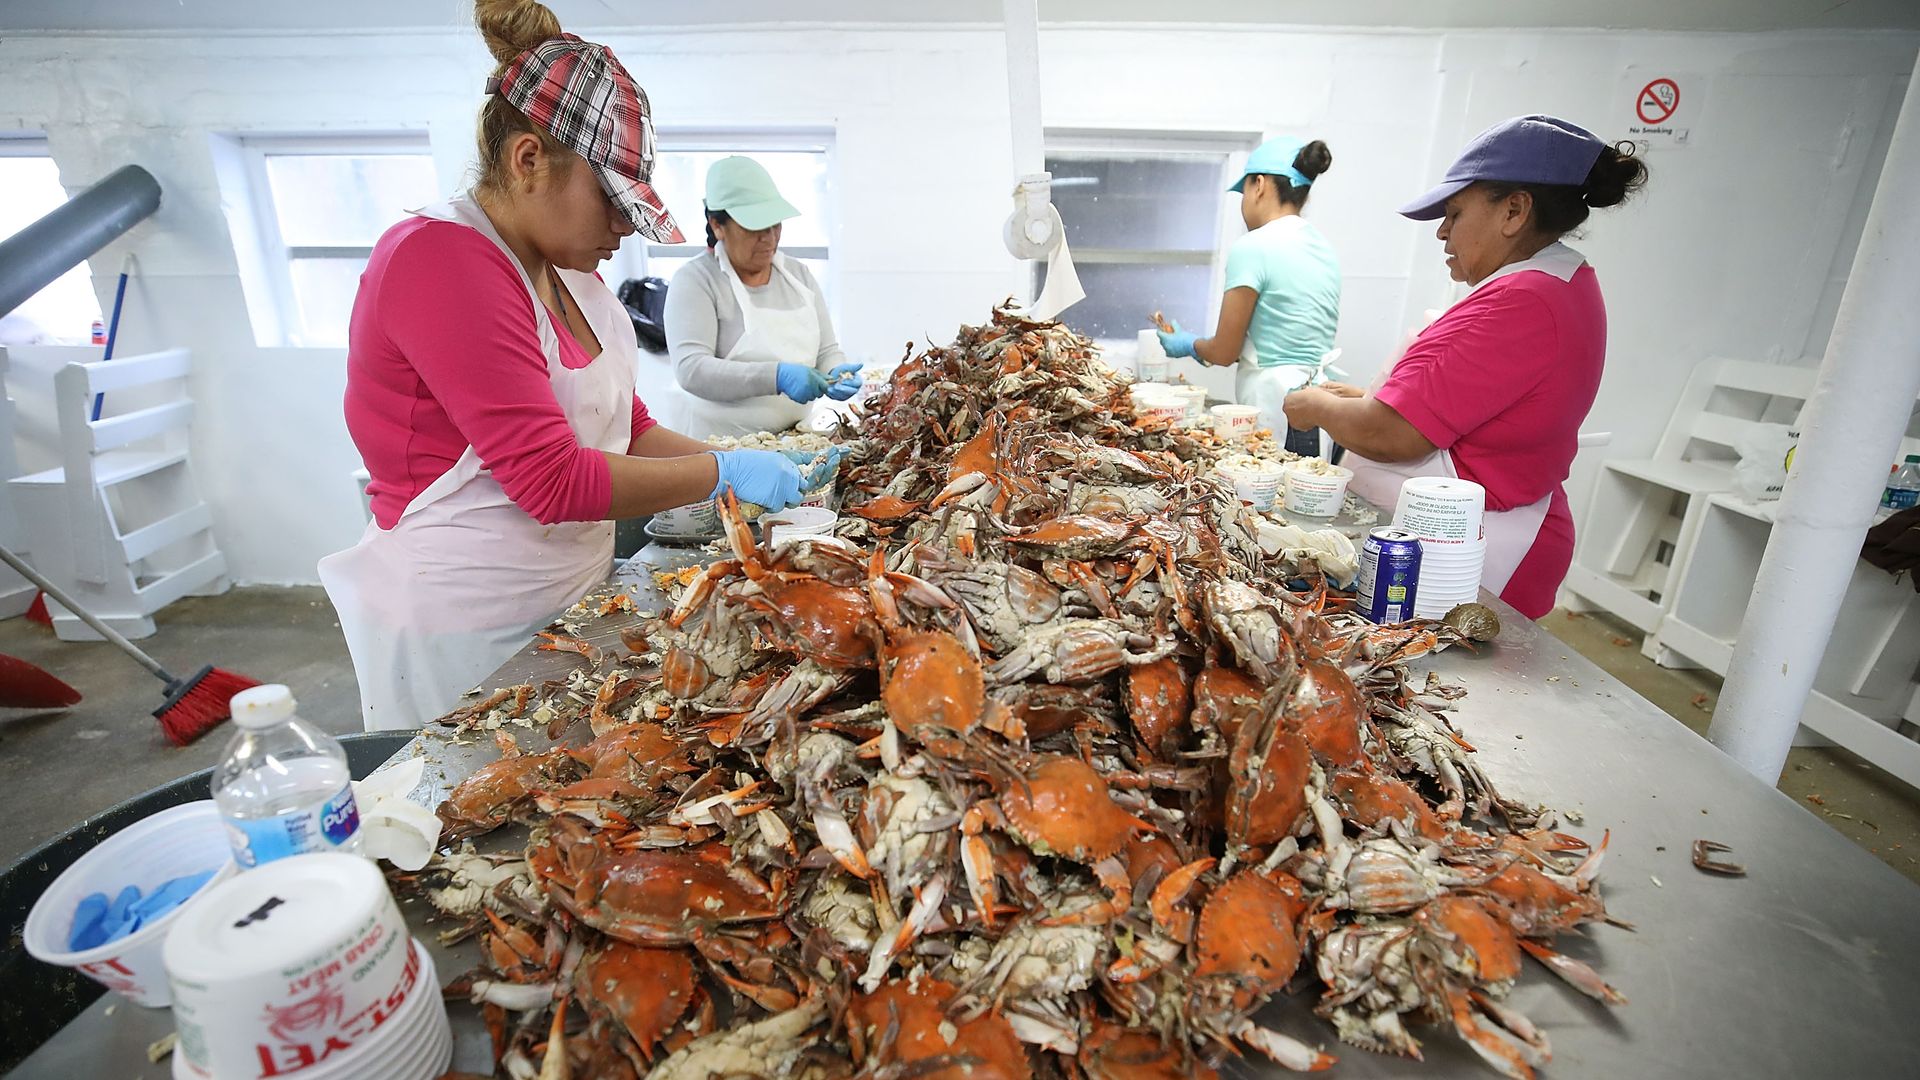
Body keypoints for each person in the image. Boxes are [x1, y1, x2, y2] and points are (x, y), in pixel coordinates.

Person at [320, 0, 805, 731]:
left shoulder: (571, 271)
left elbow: (628, 427)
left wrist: (751, 457)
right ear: (528, 161)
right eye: (610, 201)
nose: (621, 227)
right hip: (464, 626)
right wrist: (725, 477)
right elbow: (549, 480)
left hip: (569, 600)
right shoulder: (442, 262)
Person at [1282, 115, 1649, 619]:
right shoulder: (1555, 283)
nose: (1442, 232)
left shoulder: (1521, 301)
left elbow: (1396, 435)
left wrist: (1315, 406)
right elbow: (1472, 409)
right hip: (1475, 533)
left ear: (1515, 210)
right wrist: (1360, 401)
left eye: (1454, 213)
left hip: (1475, 555)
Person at [1155, 136, 1341, 457]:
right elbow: (1283, 339)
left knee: (1267, 504)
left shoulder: (1254, 246)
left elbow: (1225, 351)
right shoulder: (1322, 247)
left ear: (1259, 185)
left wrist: (1188, 344)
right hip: (1322, 410)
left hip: (1278, 408)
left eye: (1243, 192)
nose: (1243, 202)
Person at [662, 156, 861, 440]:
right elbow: (692, 369)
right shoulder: (696, 281)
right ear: (717, 224)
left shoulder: (798, 276)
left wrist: (836, 371)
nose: (769, 238)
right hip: (723, 449)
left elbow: (826, 351)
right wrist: (776, 376)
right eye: (755, 228)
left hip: (798, 439)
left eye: (775, 225)